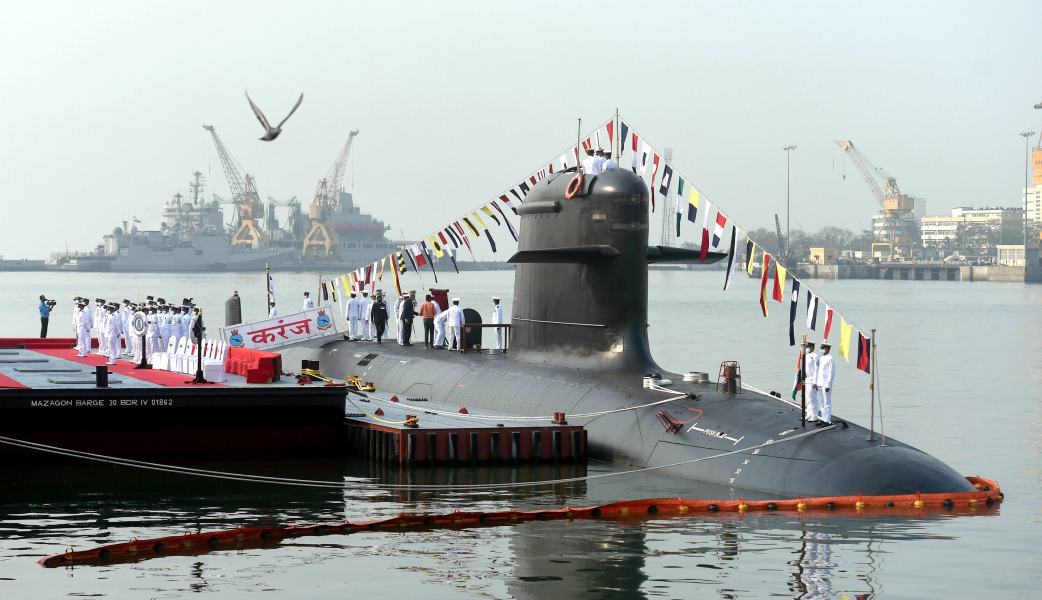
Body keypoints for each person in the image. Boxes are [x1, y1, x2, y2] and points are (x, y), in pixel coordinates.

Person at [815, 342, 835, 426]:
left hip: (826, 384)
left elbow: (831, 372)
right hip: (820, 383)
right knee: (822, 402)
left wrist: (828, 385)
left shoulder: (830, 358)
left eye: (822, 348)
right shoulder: (821, 358)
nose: (821, 350)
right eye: (821, 348)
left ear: (827, 349)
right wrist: (816, 383)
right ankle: (823, 418)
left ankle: (827, 420)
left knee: (827, 402)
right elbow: (819, 371)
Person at [804, 341, 820, 423]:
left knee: (813, 398)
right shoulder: (806, 356)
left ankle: (814, 415)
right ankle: (809, 413)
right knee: (808, 398)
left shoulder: (815, 356)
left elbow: (817, 369)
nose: (807, 348)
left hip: (812, 380)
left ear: (812, 347)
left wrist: (815, 382)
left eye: (808, 347)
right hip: (807, 380)